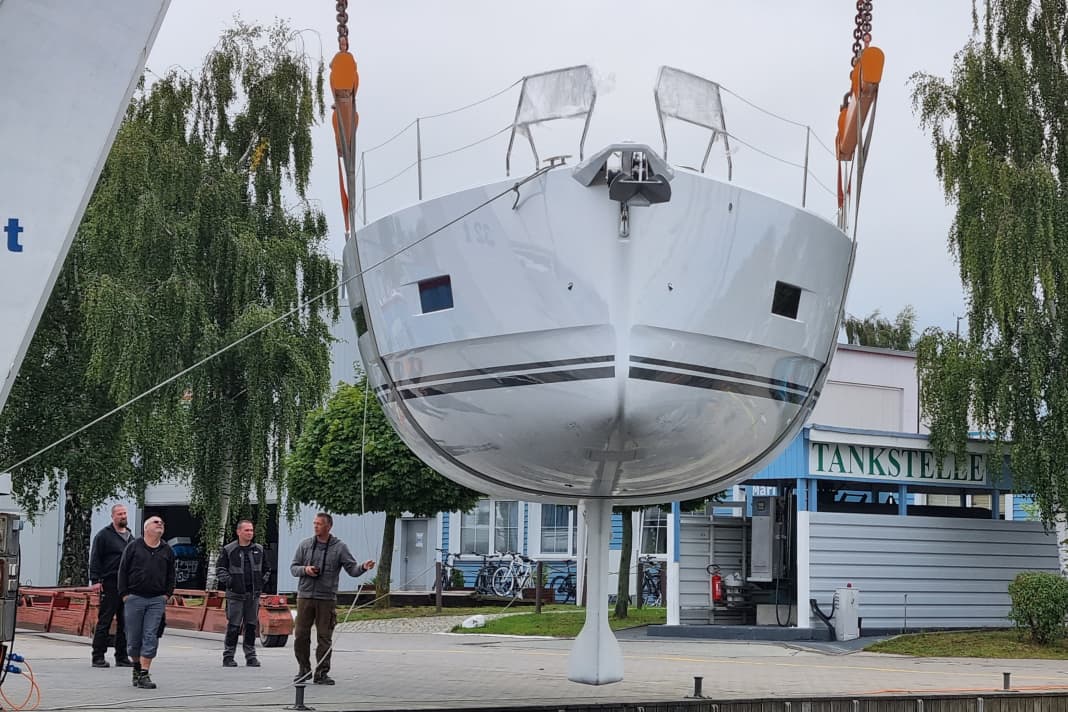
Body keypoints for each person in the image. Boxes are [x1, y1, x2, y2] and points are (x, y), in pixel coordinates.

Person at [289, 512, 375, 685]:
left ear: (329, 526)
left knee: (324, 637)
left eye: (319, 524)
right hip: (305, 596)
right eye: (314, 523)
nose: (315, 526)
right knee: (300, 635)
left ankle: (321, 673)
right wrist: (305, 570)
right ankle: (303, 669)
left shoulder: (339, 547)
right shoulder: (305, 545)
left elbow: (352, 570)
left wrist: (364, 567)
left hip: (326, 599)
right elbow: (293, 568)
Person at [117, 515, 175, 690]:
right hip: (134, 598)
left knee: (151, 635)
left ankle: (144, 673)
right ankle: (136, 667)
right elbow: (123, 571)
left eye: (162, 523)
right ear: (146, 528)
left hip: (157, 599)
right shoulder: (133, 547)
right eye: (156, 522)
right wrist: (125, 594)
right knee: (134, 638)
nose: (161, 525)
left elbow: (171, 574)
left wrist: (167, 594)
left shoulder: (167, 550)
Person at [215, 519, 271, 668]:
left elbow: (267, 569)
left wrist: (261, 582)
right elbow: (220, 570)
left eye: (251, 530)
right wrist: (231, 582)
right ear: (238, 532)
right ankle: (228, 656)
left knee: (251, 626)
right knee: (233, 626)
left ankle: (251, 656)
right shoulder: (229, 549)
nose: (250, 533)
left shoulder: (259, 549)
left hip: (253, 595)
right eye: (247, 530)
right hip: (235, 595)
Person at [88, 504, 134, 668]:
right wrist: (95, 580)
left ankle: (121, 656)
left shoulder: (130, 537)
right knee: (105, 620)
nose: (123, 516)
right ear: (113, 516)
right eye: (120, 514)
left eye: (125, 513)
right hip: (109, 583)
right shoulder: (104, 536)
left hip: (126, 586)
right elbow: (95, 558)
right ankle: (98, 656)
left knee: (125, 622)